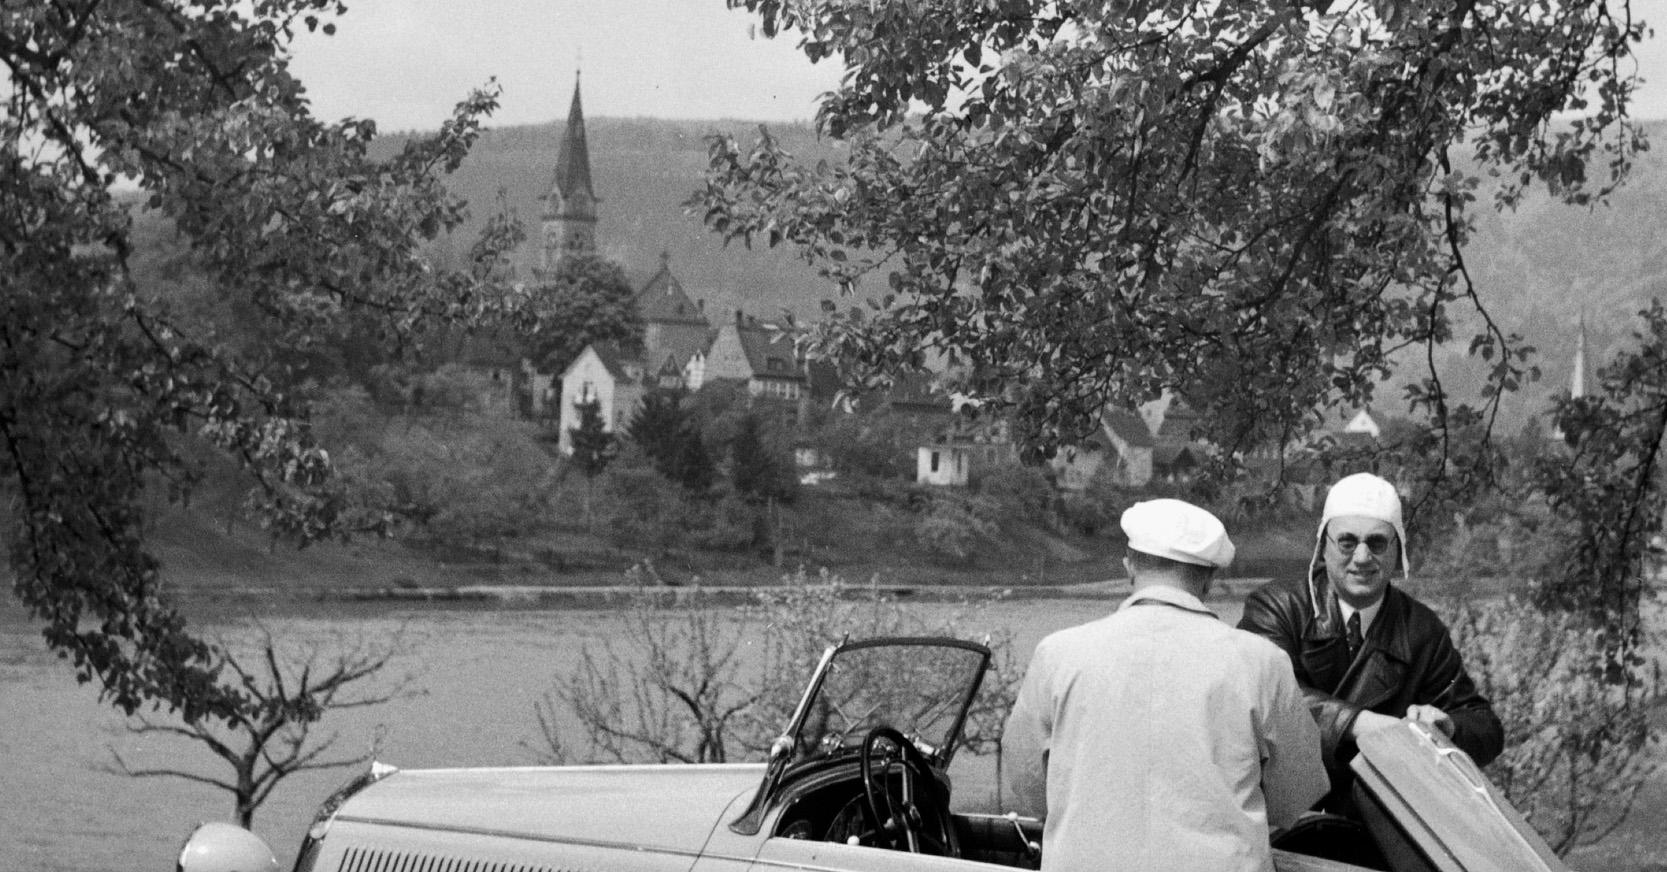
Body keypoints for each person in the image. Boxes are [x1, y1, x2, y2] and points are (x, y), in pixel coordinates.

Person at [1003, 499, 1329, 872]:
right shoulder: (1261, 662)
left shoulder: (1058, 654)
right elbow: (1296, 794)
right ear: (1209, 578)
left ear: (1129, 567)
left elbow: (1028, 780)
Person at [1236, 472, 1503, 812]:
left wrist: (1445, 725)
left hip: (1378, 818)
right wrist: (1363, 724)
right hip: (1285, 819)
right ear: (1323, 547)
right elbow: (1266, 697)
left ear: (1398, 549)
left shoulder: (1422, 629)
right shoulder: (1277, 606)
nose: (1362, 558)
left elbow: (1485, 726)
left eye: (1377, 543)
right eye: (1347, 542)